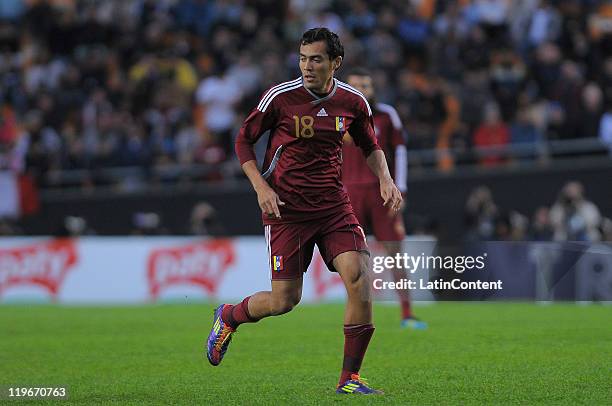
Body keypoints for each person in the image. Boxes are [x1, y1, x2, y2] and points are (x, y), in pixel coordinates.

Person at [206, 27, 402, 395]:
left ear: (335, 63)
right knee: (284, 301)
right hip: (286, 211)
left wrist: (386, 180)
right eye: (302, 58)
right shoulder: (280, 97)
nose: (307, 66)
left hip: (332, 206)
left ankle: (350, 379)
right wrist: (261, 188)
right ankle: (229, 315)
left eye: (315, 59)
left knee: (359, 278)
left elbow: (370, 146)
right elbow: (243, 140)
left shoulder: (354, 102)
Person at [341, 68, 426, 330]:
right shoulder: (336, 116)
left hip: (381, 193)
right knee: (352, 257)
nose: (361, 90)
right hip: (348, 194)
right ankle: (358, 315)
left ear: (372, 88)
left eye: (365, 84)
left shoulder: (387, 115)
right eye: (354, 85)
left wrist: (400, 187)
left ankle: (407, 312)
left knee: (394, 253)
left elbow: (399, 151)